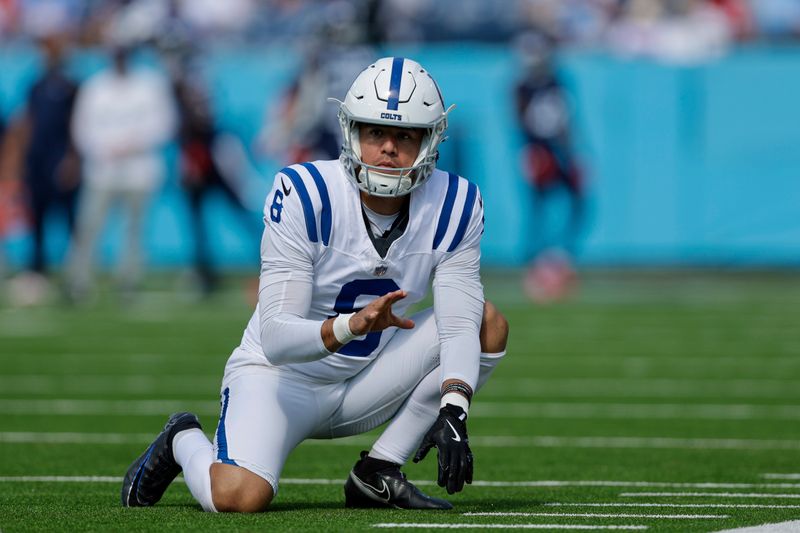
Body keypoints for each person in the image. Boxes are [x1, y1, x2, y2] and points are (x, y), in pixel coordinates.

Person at [121, 57, 509, 513]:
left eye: (405, 136)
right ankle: (182, 439)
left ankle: (379, 471)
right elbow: (278, 338)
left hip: (367, 377)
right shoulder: (308, 193)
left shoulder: (456, 203)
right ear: (350, 133)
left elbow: (461, 320)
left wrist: (454, 408)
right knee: (237, 498)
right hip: (280, 379)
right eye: (374, 133)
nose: (388, 148)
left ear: (431, 140)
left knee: (487, 321)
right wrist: (350, 326)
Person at [66, 43, 176, 302]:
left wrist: (133, 143)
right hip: (102, 169)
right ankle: (79, 281)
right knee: (89, 226)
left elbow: (164, 125)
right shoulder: (95, 87)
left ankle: (129, 281)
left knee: (135, 230)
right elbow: (81, 129)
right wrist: (104, 148)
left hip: (140, 170)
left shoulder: (150, 85)